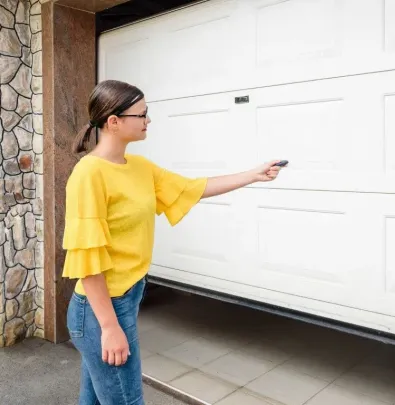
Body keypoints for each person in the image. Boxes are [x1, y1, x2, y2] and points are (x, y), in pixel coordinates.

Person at [62, 79, 285, 405]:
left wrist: (252, 175)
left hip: (123, 300)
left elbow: (191, 188)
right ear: (114, 122)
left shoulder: (138, 167)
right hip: (100, 312)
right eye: (142, 114)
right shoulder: (89, 175)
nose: (149, 120)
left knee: (93, 401)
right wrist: (110, 328)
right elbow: (87, 260)